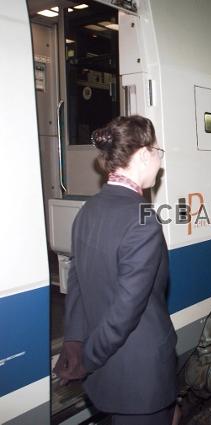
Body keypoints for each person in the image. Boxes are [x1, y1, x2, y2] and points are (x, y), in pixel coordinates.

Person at [53, 115, 179, 425]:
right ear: (143, 154)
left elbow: (77, 281)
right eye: (158, 153)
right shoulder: (143, 219)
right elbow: (126, 309)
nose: (160, 164)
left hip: (109, 374)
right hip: (139, 376)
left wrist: (76, 342)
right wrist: (89, 359)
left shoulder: (88, 210)